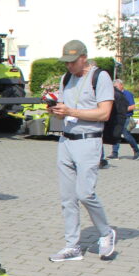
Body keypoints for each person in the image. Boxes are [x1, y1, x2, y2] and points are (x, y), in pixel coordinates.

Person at [48, 40, 116, 262]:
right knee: (67, 197)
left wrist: (71, 111)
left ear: (84, 58)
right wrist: (57, 111)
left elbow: (104, 113)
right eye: (66, 62)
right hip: (66, 140)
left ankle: (106, 233)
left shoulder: (100, 77)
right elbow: (65, 108)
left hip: (89, 140)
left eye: (72, 62)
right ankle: (72, 245)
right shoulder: (66, 78)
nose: (68, 66)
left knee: (85, 193)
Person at [108, 79, 139, 160]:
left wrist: (122, 110)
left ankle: (137, 150)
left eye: (116, 86)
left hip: (126, 117)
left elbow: (133, 106)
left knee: (126, 135)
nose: (114, 88)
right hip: (117, 117)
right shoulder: (114, 94)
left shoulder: (127, 94)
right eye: (113, 86)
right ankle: (114, 153)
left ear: (121, 85)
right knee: (116, 134)